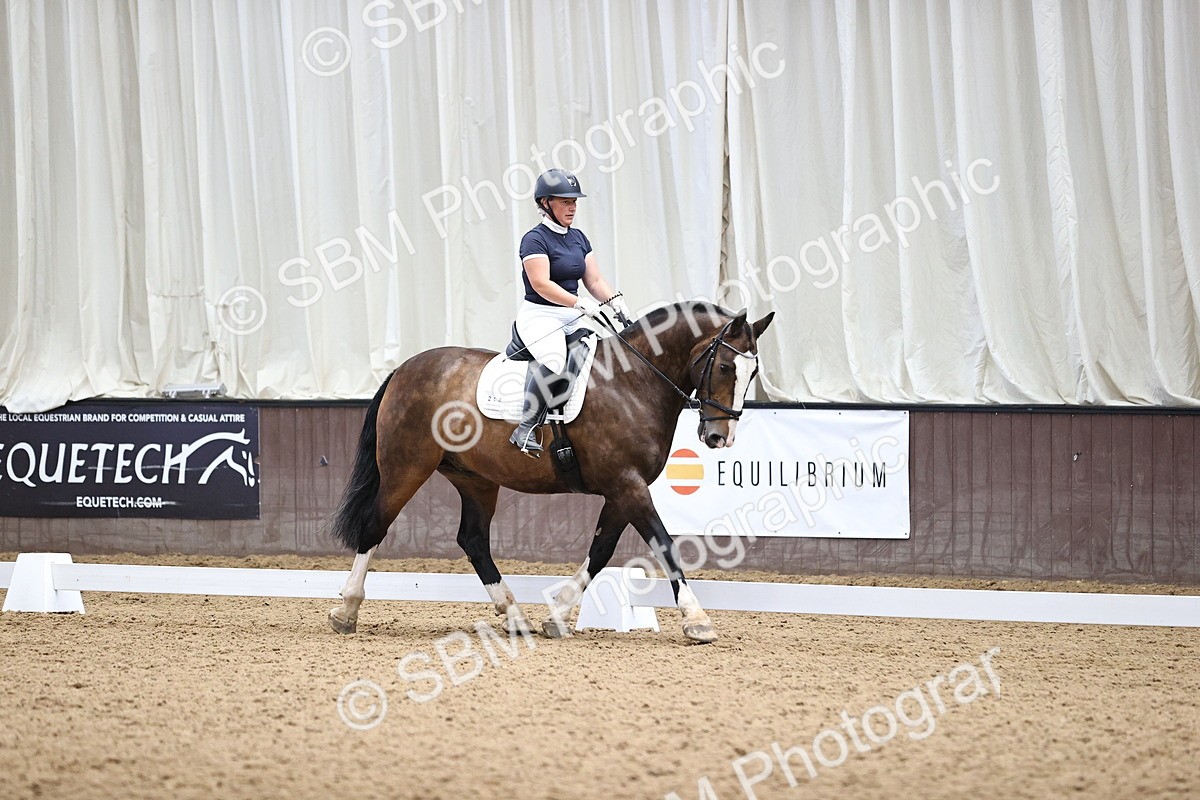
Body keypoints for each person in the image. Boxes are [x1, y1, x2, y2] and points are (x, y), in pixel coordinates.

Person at [509, 168, 631, 457]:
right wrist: (578, 303)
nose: (572, 207)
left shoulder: (578, 238)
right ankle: (525, 428)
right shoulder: (534, 239)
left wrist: (615, 301)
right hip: (540, 315)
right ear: (545, 203)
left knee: (599, 356)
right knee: (554, 360)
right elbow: (541, 284)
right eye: (565, 201)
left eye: (574, 201)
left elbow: (594, 281)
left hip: (571, 315)